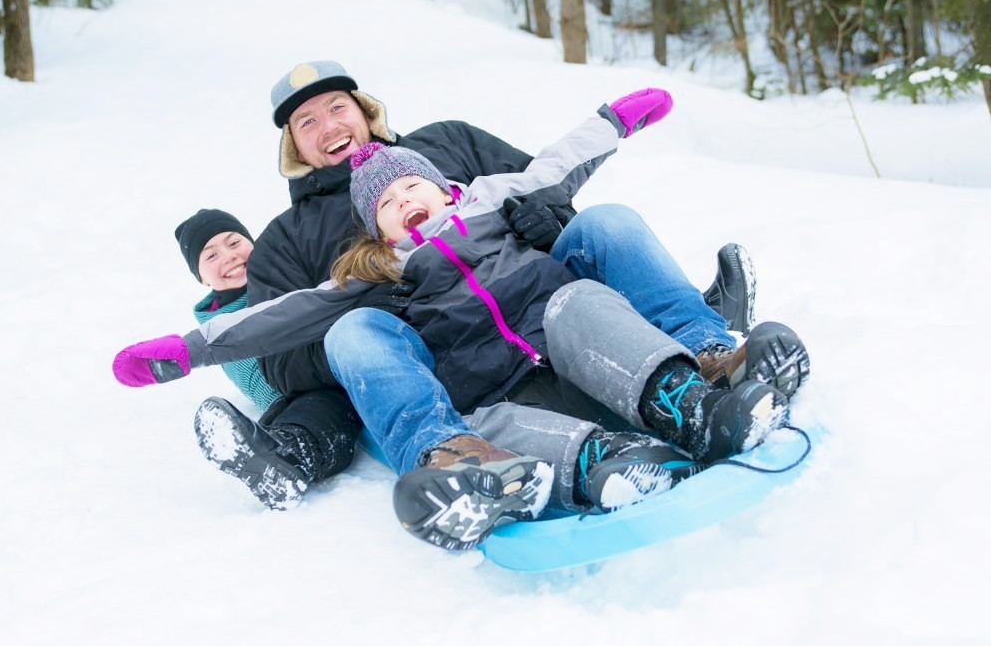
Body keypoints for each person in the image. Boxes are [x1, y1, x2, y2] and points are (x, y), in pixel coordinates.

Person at [113, 87, 809, 549]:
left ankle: (702, 373)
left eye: (334, 108)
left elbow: (555, 168)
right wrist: (187, 348)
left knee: (593, 259)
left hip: (573, 334)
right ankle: (574, 464)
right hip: (474, 377)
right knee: (383, 350)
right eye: (306, 121)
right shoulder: (324, 253)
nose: (403, 200)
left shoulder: (469, 174)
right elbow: (279, 325)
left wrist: (614, 121)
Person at [212, 59, 765, 513]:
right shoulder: (285, 240)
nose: (329, 126)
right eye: (307, 122)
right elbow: (284, 363)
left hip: (547, 312)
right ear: (292, 146)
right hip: (460, 361)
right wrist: (376, 313)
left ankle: (706, 349)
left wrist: (546, 220)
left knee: (604, 223)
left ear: (364, 109)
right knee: (357, 328)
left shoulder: (447, 141)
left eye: (337, 106)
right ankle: (489, 460)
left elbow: (545, 182)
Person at [173, 209, 360, 510]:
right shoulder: (217, 328)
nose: (229, 256)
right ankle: (286, 458)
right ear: (200, 278)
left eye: (234, 243)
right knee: (323, 411)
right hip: (306, 392)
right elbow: (266, 384)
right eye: (211, 256)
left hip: (343, 352)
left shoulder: (285, 274)